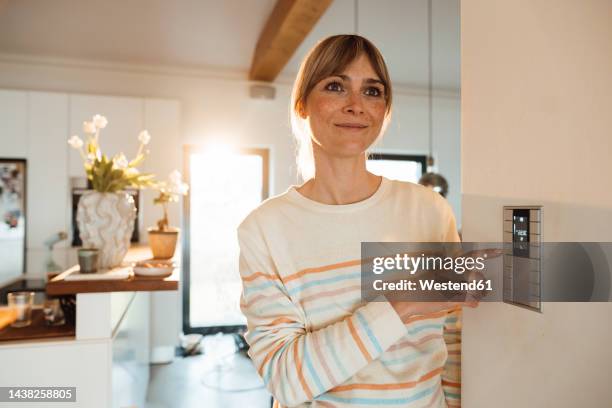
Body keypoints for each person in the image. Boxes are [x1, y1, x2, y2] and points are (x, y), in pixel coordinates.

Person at [237, 35, 469, 407]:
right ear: (302, 105)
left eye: (372, 91)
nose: (356, 106)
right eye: (335, 86)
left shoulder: (431, 211)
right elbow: (284, 377)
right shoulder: (264, 230)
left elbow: (456, 343)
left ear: (385, 109)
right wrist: (401, 305)